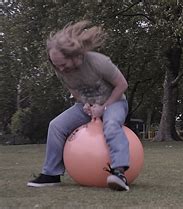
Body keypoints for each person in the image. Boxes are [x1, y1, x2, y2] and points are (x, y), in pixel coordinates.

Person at [27, 21, 131, 191]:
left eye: (63, 64)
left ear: (74, 56)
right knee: (56, 126)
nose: (60, 68)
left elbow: (122, 85)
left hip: (114, 102)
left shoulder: (99, 62)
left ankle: (119, 173)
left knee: (111, 125)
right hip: (88, 106)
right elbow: (74, 90)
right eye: (56, 65)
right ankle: (51, 174)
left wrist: (103, 107)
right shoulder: (60, 70)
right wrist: (86, 104)